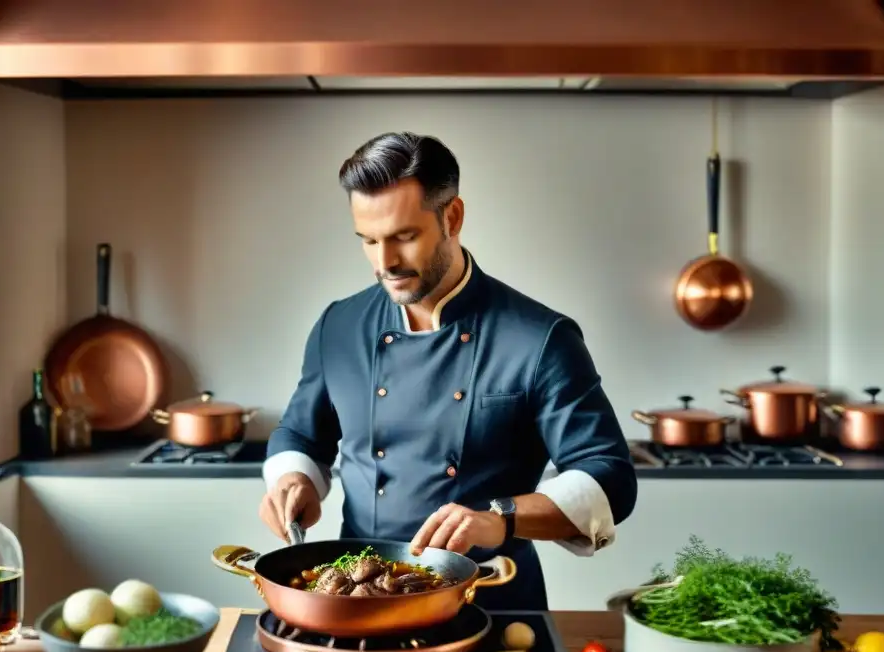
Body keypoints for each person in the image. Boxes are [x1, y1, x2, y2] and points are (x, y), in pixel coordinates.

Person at [258, 131, 637, 611]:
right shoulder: (339, 325)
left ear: (452, 217)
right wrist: (295, 481)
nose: (385, 262)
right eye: (369, 241)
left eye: (404, 237)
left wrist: (500, 518)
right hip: (353, 602)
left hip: (489, 601)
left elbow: (609, 476)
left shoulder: (540, 338)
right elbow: (301, 434)